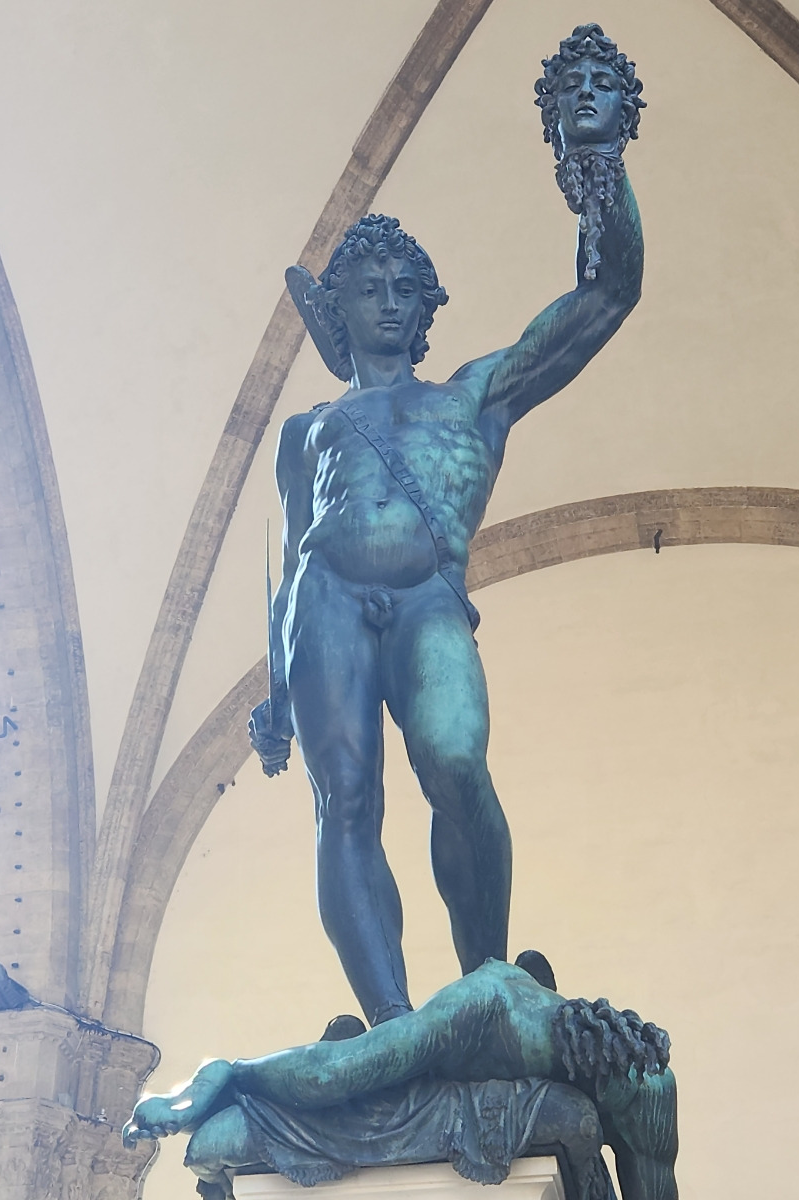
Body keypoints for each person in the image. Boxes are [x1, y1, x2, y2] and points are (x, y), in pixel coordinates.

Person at [249, 25, 645, 1027]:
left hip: (429, 596)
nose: (388, 302)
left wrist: (597, 162)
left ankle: (485, 980)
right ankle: (393, 1026)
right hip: (326, 600)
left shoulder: (474, 395)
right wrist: (274, 697)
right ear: (338, 309)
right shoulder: (306, 430)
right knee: (346, 800)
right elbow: (291, 556)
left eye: (404, 290)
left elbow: (607, 295)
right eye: (367, 289)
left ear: (428, 307)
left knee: (457, 765)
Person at [123, 956, 676, 1200]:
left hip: (470, 1083)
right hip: (410, 1061)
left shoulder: (648, 1087)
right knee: (335, 1073)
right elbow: (344, 1072)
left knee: (579, 1121)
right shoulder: (489, 1007)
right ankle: (230, 1074)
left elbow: (652, 1180)